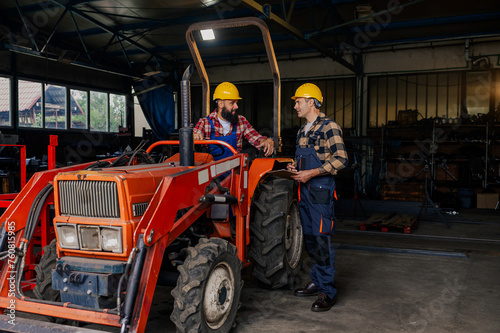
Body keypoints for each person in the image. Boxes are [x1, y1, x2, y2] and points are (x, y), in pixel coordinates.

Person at [287, 83, 348, 312]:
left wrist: (311, 172)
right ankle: (317, 281)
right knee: (311, 240)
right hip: (304, 192)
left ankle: (327, 292)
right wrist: (294, 166)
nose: (295, 106)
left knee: (322, 241)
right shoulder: (303, 130)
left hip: (320, 192)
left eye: (298, 101)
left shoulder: (329, 127)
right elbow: (303, 159)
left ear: (311, 102)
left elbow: (342, 159)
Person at [193, 82, 274, 160]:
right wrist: (194, 137)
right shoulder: (205, 123)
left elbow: (256, 139)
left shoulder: (241, 121)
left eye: (236, 102)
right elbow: (192, 138)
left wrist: (266, 141)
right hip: (212, 172)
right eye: (232, 103)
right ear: (220, 104)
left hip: (235, 172)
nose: (236, 106)